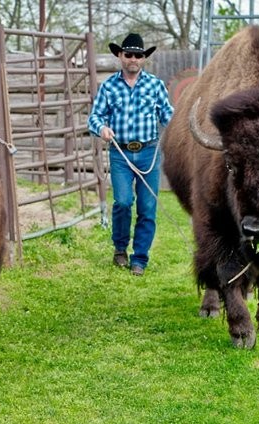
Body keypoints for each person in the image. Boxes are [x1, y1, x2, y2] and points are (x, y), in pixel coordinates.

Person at [88, 33, 174, 276]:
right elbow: (94, 116)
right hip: (120, 154)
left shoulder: (155, 85)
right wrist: (101, 128)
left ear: (144, 58)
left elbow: (168, 115)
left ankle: (140, 259)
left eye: (138, 55)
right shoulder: (108, 86)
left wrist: (180, 127)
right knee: (123, 202)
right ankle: (119, 247)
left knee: (147, 207)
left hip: (148, 152)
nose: (133, 59)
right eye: (128, 54)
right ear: (120, 55)